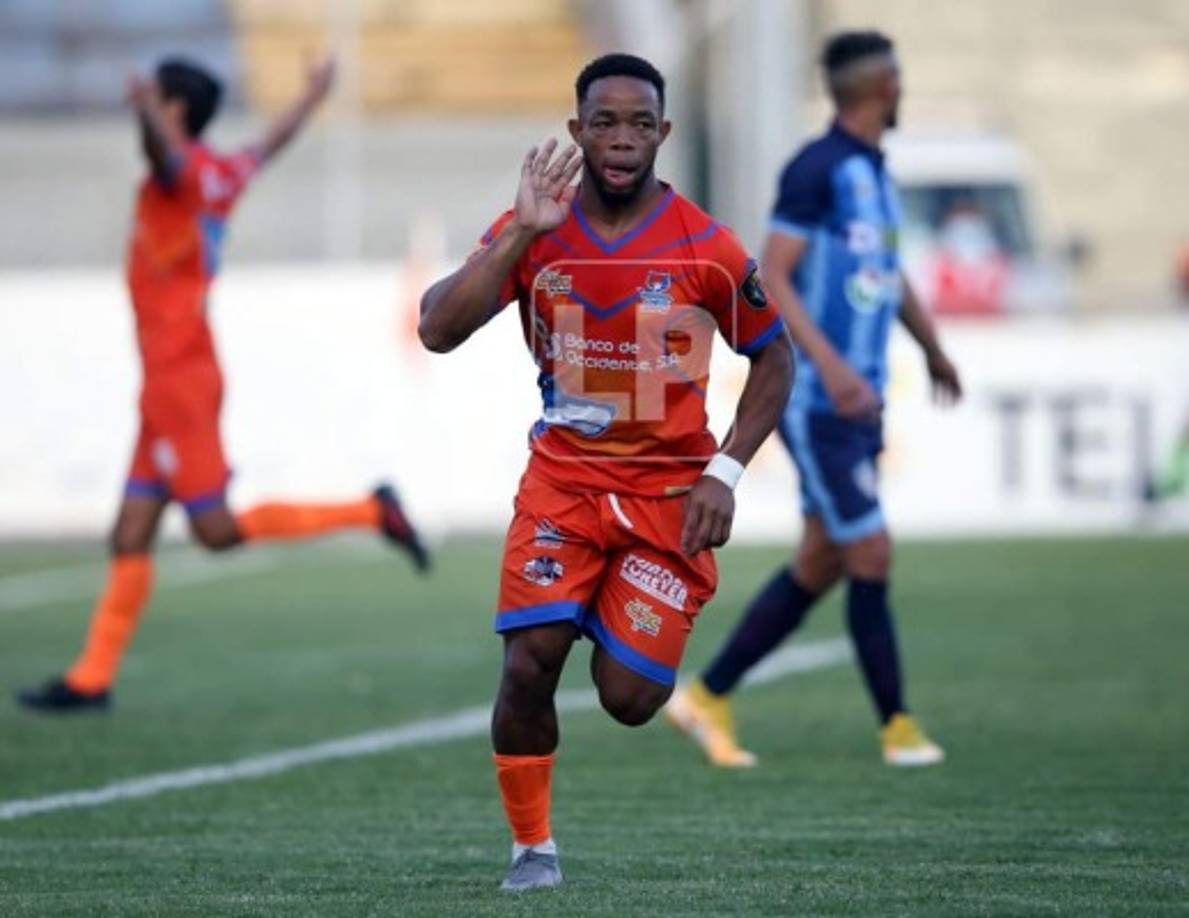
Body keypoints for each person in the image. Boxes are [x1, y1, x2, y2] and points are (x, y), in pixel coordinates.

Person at [418, 53, 792, 891]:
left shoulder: (706, 248)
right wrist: (519, 231)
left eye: (638, 123)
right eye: (604, 121)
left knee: (628, 699)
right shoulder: (533, 227)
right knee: (527, 664)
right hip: (564, 485)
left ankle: (610, 604)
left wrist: (725, 472)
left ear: (662, 133)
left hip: (669, 498)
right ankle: (531, 850)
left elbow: (775, 361)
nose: (621, 138)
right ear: (576, 130)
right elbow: (438, 329)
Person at [18, 56, 428, 713]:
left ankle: (372, 512)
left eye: (158, 98)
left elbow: (161, 151)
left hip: (180, 380)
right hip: (168, 381)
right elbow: (269, 143)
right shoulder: (221, 173)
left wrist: (143, 109)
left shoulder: (176, 173)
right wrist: (311, 96)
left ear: (174, 107)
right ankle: (91, 678)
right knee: (130, 532)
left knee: (214, 530)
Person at [666, 31, 963, 768]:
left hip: (859, 399)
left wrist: (930, 348)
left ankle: (706, 695)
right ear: (885, 85)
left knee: (823, 559)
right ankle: (896, 726)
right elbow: (775, 272)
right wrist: (826, 368)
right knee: (869, 548)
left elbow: (886, 278)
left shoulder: (873, 173)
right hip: (820, 401)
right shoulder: (817, 169)